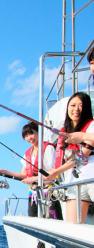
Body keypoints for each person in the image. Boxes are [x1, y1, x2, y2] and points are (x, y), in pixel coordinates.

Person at [0, 122, 61, 218]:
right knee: (33, 220)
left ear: (39, 133)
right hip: (33, 194)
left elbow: (54, 173)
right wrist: (3, 172)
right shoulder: (28, 154)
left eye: (31, 133)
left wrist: (33, 179)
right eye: (26, 136)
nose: (29, 138)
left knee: (53, 222)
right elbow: (23, 175)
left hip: (50, 193)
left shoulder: (48, 148)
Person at [46, 91, 94, 223]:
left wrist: (56, 172)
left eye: (81, 105)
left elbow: (82, 155)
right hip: (74, 182)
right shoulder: (65, 130)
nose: (76, 109)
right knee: (72, 226)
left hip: (92, 179)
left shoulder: (91, 125)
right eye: (72, 105)